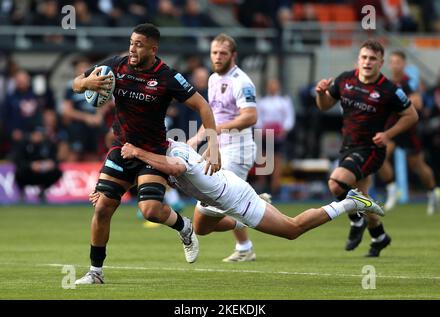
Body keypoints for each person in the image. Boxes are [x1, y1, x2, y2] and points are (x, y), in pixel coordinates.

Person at [72, 23, 221, 285]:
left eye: (139, 44)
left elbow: (203, 106)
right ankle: (96, 272)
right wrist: (87, 82)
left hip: (152, 152)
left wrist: (214, 144)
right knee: (103, 208)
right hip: (121, 148)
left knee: (151, 211)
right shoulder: (115, 66)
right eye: (131, 42)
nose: (132, 48)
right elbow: (75, 84)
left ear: (153, 48)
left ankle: (184, 227)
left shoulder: (167, 77)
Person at [99, 140, 384, 248]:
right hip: (215, 194)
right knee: (200, 226)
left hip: (234, 197)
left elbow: (175, 166)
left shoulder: (170, 157)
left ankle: (349, 202)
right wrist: (107, 188)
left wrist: (136, 151)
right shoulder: (169, 145)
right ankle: (250, 212)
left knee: (292, 229)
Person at [315, 39, 418, 257]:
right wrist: (320, 93)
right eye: (364, 57)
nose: (367, 62)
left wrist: (388, 134)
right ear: (358, 59)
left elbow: (412, 115)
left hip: (371, 149)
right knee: (362, 197)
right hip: (348, 146)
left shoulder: (389, 90)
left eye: (373, 58)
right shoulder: (345, 80)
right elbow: (324, 106)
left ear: (381, 62)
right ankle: (379, 236)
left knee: (336, 183)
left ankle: (355, 220)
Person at [187, 33, 258, 262]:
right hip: (220, 149)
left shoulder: (242, 81)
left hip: (237, 150)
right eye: (214, 53)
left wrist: (217, 131)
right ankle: (245, 244)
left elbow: (250, 117)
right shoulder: (213, 79)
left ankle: (252, 209)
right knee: (213, 212)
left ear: (233, 55)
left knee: (202, 224)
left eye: (223, 53)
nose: (217, 57)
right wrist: (198, 139)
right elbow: (213, 117)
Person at [378, 51, 440, 214]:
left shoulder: (410, 82)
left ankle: (432, 192)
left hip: (409, 129)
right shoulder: (388, 83)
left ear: (404, 64)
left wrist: (396, 103)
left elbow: (418, 104)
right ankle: (392, 190)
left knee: (417, 165)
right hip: (392, 129)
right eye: (392, 62)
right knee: (380, 157)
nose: (395, 65)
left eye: (398, 62)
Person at [255, 78, 295, 198]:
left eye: (275, 85)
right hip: (264, 134)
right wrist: (261, 129)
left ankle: (275, 188)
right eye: (270, 85)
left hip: (278, 135)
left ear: (278, 87)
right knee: (262, 160)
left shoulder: (284, 101)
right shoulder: (261, 102)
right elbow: (258, 117)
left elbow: (289, 117)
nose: (272, 87)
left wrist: (284, 130)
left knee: (277, 160)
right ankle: (262, 187)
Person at [11, 127, 62, 203]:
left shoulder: (48, 145)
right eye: (36, 134)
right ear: (32, 135)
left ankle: (42, 191)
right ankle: (22, 192)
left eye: (40, 135)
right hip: (28, 173)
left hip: (43, 173)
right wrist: (31, 165)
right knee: (18, 172)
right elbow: (18, 161)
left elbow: (56, 160)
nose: (38, 136)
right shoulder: (24, 144)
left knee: (58, 172)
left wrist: (51, 164)